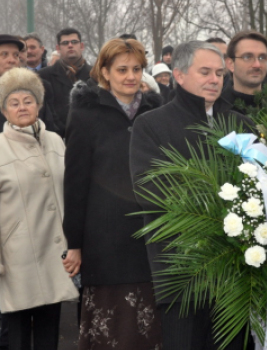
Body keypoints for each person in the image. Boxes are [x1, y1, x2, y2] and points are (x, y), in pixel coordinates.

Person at [130, 40, 253, 350]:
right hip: (181, 271)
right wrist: (216, 214)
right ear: (180, 75)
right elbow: (150, 190)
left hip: (236, 271)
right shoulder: (151, 125)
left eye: (220, 73)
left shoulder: (240, 125)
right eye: (205, 72)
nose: (215, 80)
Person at [62, 38, 163, 350]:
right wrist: (75, 244)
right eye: (122, 69)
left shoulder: (154, 113)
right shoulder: (85, 115)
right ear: (104, 72)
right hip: (104, 242)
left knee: (149, 332)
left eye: (136, 69)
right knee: (112, 333)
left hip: (151, 239)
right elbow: (75, 183)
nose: (130, 76)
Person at [0, 67, 78, 350]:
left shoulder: (56, 141)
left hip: (54, 253)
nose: (22, 107)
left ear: (39, 104)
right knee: (17, 334)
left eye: (28, 100)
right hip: (16, 257)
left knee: (50, 331)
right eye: (14, 102)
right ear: (4, 110)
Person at [39, 28, 92, 137]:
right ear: (58, 48)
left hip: (90, 139)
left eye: (74, 42)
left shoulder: (96, 75)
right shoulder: (43, 76)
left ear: (81, 46)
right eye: (65, 43)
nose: (70, 45)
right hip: (54, 139)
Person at [222, 30, 267, 114]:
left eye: (262, 58)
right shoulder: (216, 110)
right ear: (231, 64)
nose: (257, 65)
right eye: (247, 57)